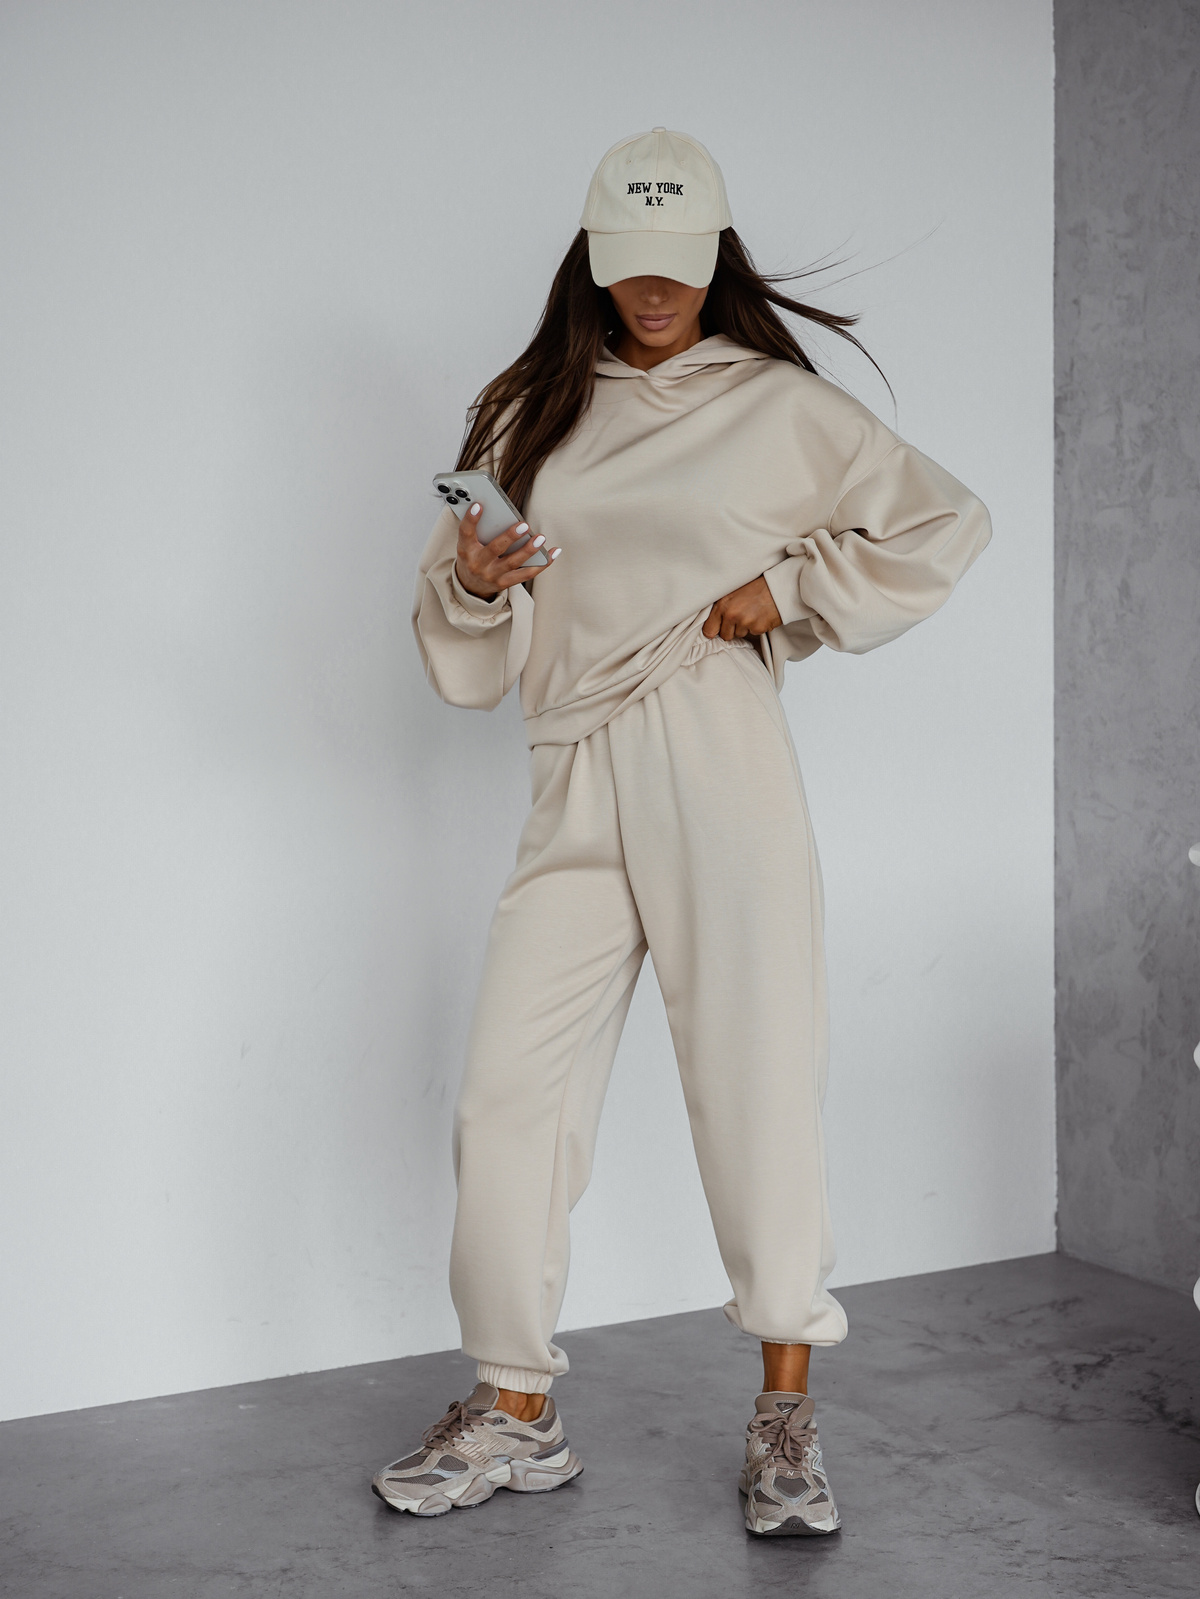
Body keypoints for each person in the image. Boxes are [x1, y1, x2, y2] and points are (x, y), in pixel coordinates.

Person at [373, 128, 991, 1537]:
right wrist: (479, 583)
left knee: (757, 1076)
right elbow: (464, 651)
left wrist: (794, 590)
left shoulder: (783, 408)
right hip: (572, 765)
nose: (654, 291)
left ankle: (786, 1419)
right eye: (629, 264)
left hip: (717, 749)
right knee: (508, 1097)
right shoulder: (529, 410)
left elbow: (946, 523)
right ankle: (515, 1408)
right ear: (592, 262)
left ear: (717, 259)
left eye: (679, 263)